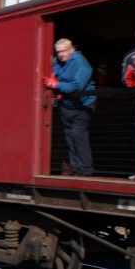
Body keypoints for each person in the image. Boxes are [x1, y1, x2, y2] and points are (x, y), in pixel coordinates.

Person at [44, 38, 96, 177]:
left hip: (83, 106)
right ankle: (76, 169)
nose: (61, 55)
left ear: (71, 49)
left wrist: (56, 85)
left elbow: (77, 86)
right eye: (58, 52)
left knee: (78, 136)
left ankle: (85, 170)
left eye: (64, 51)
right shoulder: (57, 62)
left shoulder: (81, 64)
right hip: (67, 106)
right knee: (70, 138)